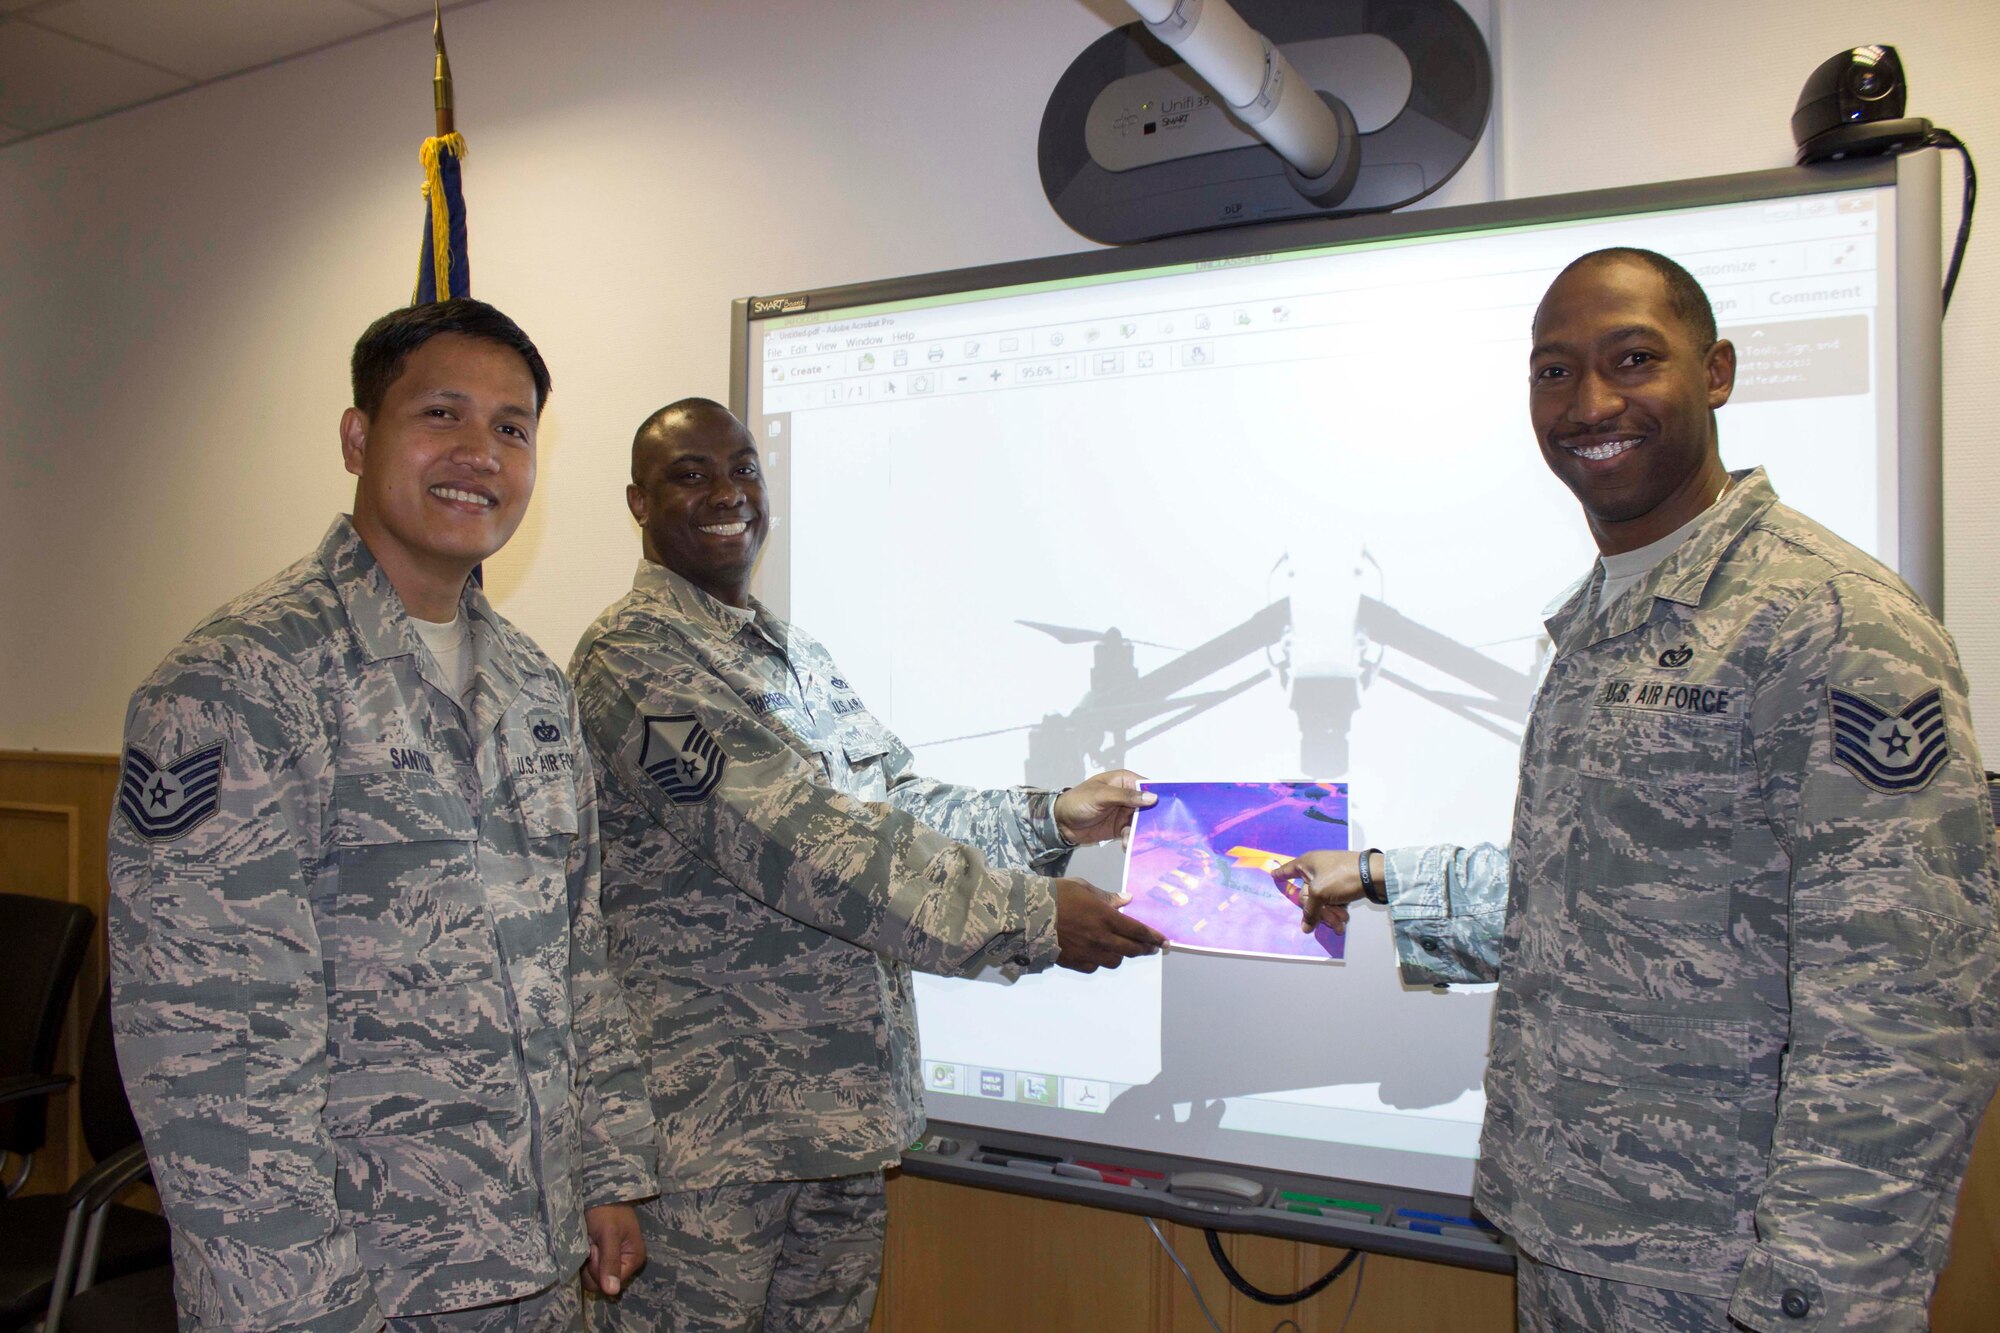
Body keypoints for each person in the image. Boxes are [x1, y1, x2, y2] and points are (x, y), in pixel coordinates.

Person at [1273, 249, 2000, 1332]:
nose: (1590, 403)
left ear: (1714, 372)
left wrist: (1813, 1301)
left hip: (1730, 1273)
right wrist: (1376, 875)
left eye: (1631, 360)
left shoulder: (1830, 621)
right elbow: (1603, 893)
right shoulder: (1606, 616)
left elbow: (1905, 1008)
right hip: (1579, 1237)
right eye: (1553, 372)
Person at [108, 299, 659, 1332]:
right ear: (359, 437)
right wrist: (294, 1307)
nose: (478, 454)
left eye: (511, 428)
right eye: (441, 415)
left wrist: (608, 1166)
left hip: (533, 1269)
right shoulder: (239, 686)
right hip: (353, 1289)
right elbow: (209, 1053)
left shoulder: (536, 690)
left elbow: (578, 954)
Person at [569, 398, 1167, 1332]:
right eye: (692, 473)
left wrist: (1053, 814)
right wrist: (1034, 915)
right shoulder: (633, 664)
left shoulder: (793, 654)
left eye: (745, 468)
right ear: (638, 503)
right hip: (712, 1148)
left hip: (840, 1131)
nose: (728, 493)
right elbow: (798, 838)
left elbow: (897, 803)